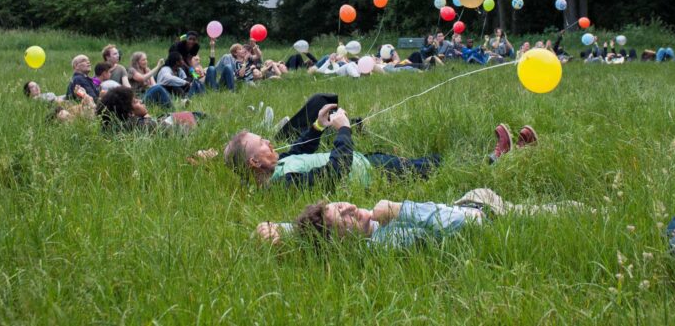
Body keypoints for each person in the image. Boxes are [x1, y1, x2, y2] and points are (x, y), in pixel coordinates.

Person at [222, 100, 440, 189]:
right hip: (374, 172)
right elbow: (336, 171)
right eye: (261, 142)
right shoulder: (285, 183)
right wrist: (344, 129)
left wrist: (317, 125)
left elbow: (299, 150)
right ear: (254, 161)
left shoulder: (278, 166)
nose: (269, 141)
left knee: (420, 163)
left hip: (365, 161)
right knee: (432, 166)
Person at [291, 189, 586, 247]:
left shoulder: (374, 227)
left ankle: (508, 155)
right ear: (338, 243)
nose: (350, 209)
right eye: (341, 218)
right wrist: (399, 208)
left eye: (341, 204)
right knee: (571, 210)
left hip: (470, 202)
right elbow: (466, 227)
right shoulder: (383, 245)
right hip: (490, 220)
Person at [96, 86, 200, 133]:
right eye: (135, 102)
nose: (141, 101)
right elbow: (185, 131)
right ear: (129, 112)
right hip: (178, 124)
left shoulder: (115, 126)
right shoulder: (144, 125)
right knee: (194, 115)